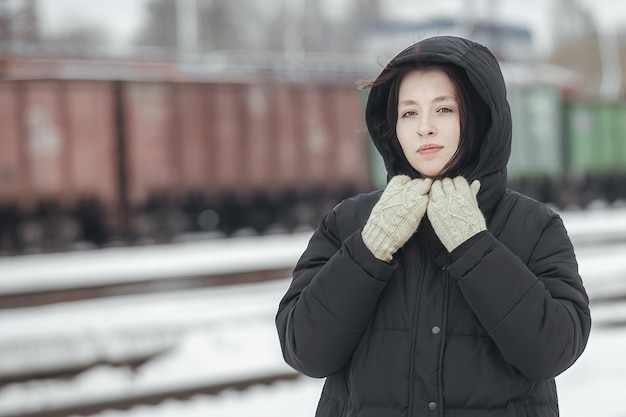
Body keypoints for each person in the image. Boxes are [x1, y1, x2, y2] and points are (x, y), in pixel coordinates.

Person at [275, 35, 591, 417]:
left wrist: (474, 246)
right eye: (409, 113)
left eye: (443, 110)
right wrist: (369, 250)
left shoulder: (534, 226)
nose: (424, 128)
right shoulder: (349, 223)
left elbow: (551, 352)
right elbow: (305, 351)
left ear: (479, 116)